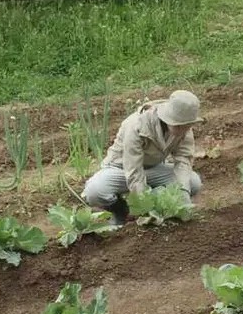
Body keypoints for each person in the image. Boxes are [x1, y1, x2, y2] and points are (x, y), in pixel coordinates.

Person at [82, 89, 204, 225]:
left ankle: (161, 205)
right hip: (121, 169)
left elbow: (183, 160)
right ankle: (121, 211)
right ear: (168, 117)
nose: (184, 130)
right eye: (180, 125)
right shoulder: (137, 125)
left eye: (187, 125)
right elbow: (133, 169)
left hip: (153, 168)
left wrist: (183, 195)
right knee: (95, 191)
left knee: (193, 182)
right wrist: (144, 206)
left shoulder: (185, 128)